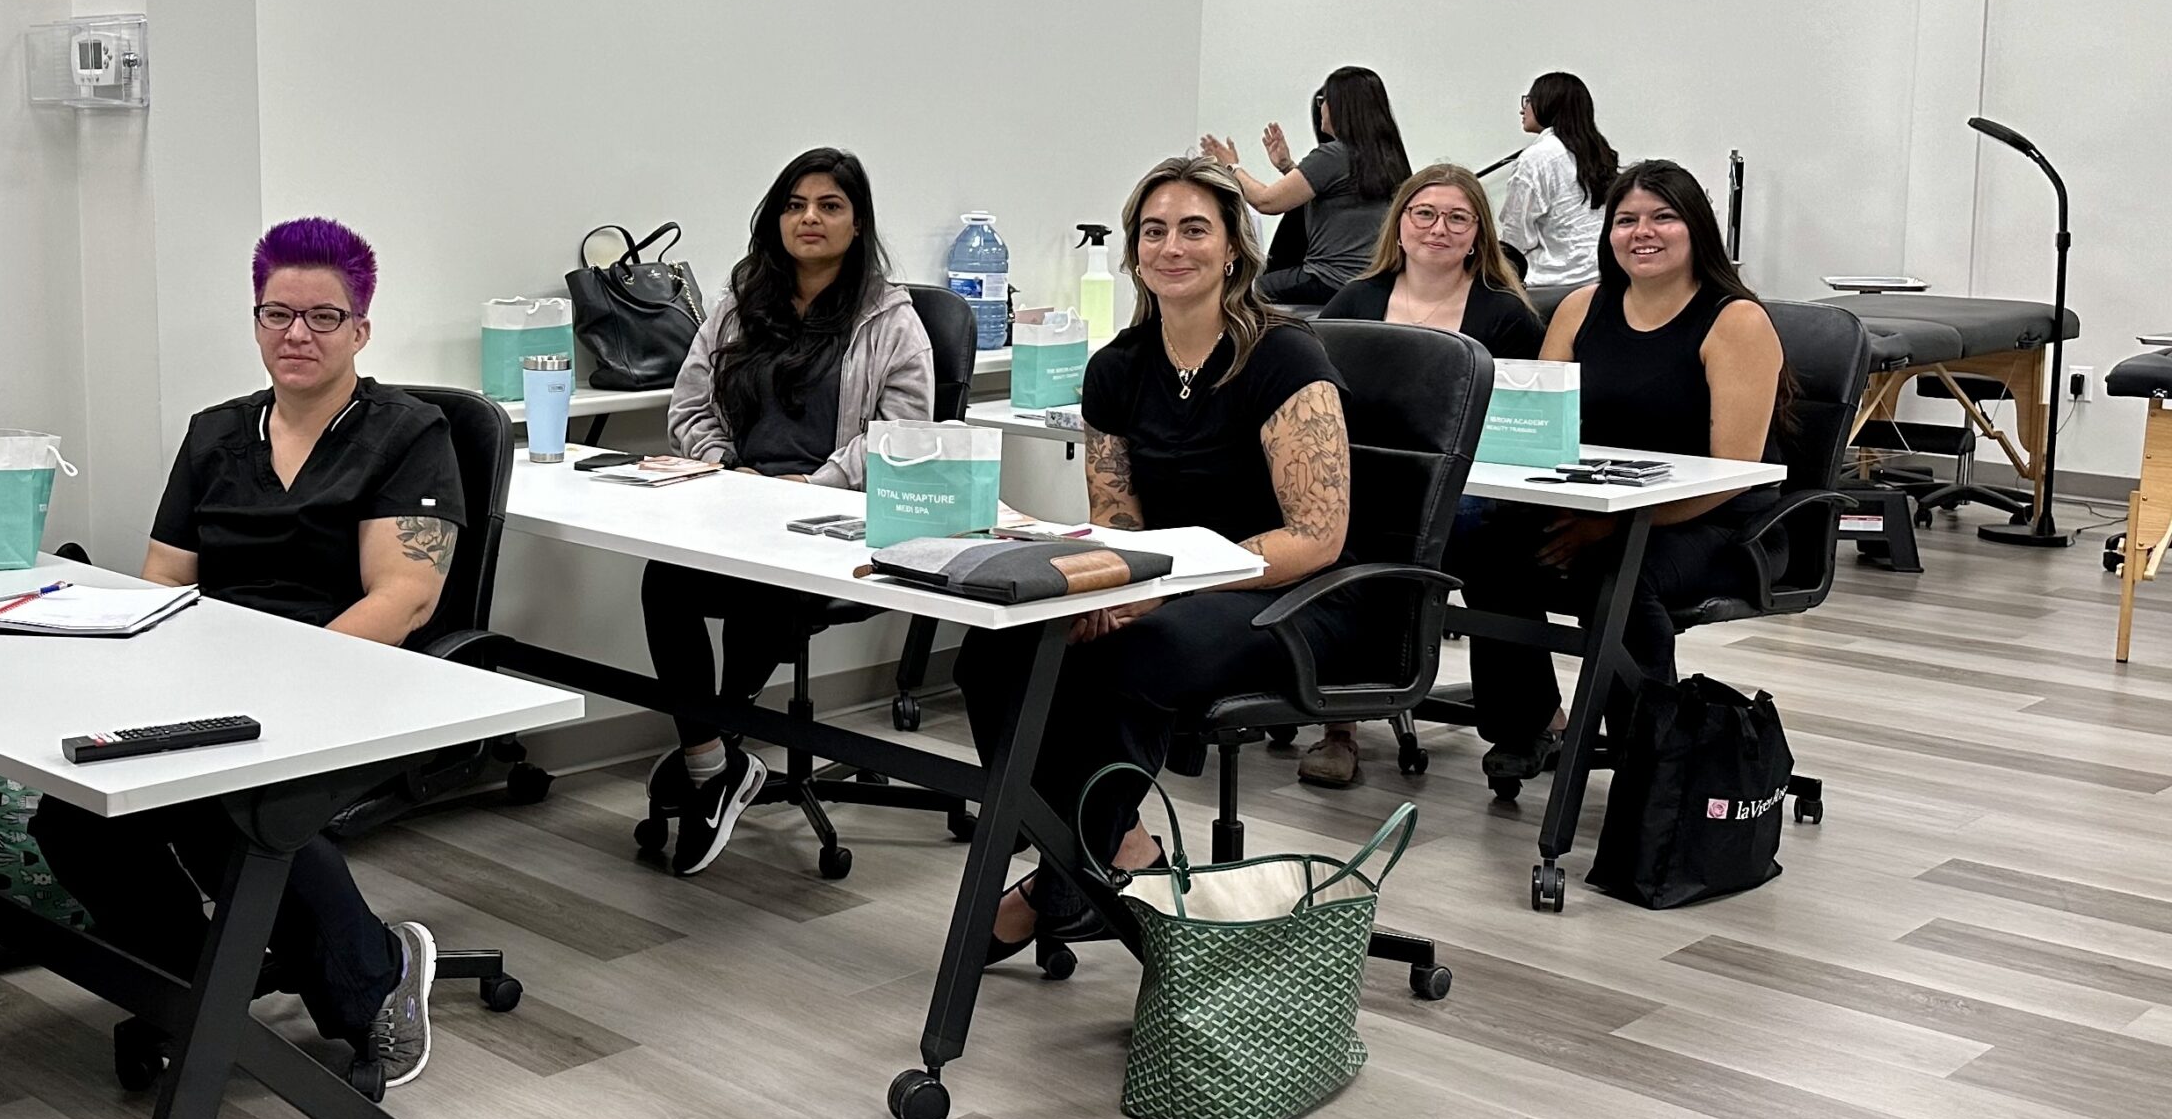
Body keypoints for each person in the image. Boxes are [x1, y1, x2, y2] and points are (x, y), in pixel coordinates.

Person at [30, 217, 462, 1093]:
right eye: (277, 313)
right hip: (213, 676)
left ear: (361, 329)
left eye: (323, 316)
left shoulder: (407, 433)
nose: (297, 333)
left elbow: (404, 597)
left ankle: (376, 973)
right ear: (257, 321)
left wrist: (284, 681)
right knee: (77, 814)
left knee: (226, 801)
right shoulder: (215, 434)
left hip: (349, 671)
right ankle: (197, 985)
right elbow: (165, 577)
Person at [957, 154, 1360, 962]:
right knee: (996, 649)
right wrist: (1100, 588)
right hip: (1171, 585)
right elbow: (1118, 520)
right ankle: (1124, 848)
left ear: (1234, 248)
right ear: (1135, 251)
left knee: (1134, 652)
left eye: (1194, 229)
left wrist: (1163, 590)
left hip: (1288, 592)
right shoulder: (1117, 367)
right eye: (1154, 231)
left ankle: (1065, 879)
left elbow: (1318, 533)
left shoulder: (1286, 357)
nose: (1172, 247)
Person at [638, 148, 932, 875]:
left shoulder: (890, 319)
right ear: (776, 218)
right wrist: (725, 469)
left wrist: (816, 484)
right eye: (795, 205)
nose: (809, 219)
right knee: (664, 578)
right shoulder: (742, 303)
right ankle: (713, 757)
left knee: (768, 581)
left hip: (832, 514)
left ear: (858, 223)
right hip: (737, 499)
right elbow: (690, 405)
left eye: (830, 206)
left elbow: (903, 434)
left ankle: (713, 746)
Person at [1454, 159, 1785, 783]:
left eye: (1664, 217)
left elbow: (1735, 472)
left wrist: (1611, 525)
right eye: (1626, 220)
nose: (1643, 233)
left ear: (1697, 229)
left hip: (1719, 524)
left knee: (1617, 578)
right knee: (1485, 549)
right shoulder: (1580, 307)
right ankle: (1528, 723)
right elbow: (1542, 429)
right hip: (1598, 503)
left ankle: (1649, 769)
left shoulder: (1736, 320)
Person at [1296, 162, 1543, 789]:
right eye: (1424, 214)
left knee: (1486, 546)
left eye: (1458, 218)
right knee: (1327, 532)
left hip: (1465, 494)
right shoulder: (1355, 301)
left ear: (1479, 233)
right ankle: (1338, 723)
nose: (1439, 228)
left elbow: (1524, 425)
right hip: (1360, 485)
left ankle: (1525, 719)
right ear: (1400, 224)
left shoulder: (1506, 317)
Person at [1202, 65, 1412, 312]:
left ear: (1340, 106)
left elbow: (1266, 201)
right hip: (1370, 284)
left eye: (1324, 100)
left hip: (1327, 279)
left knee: (1237, 288)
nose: (1321, 108)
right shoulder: (1388, 156)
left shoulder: (1334, 155)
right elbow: (1335, 195)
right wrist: (1287, 166)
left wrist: (1231, 166)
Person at [1499, 72, 1617, 310]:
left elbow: (1515, 240)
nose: (1523, 109)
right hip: (1603, 279)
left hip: (1553, 286)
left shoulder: (1535, 158)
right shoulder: (1600, 152)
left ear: (1547, 104)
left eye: (1528, 100)